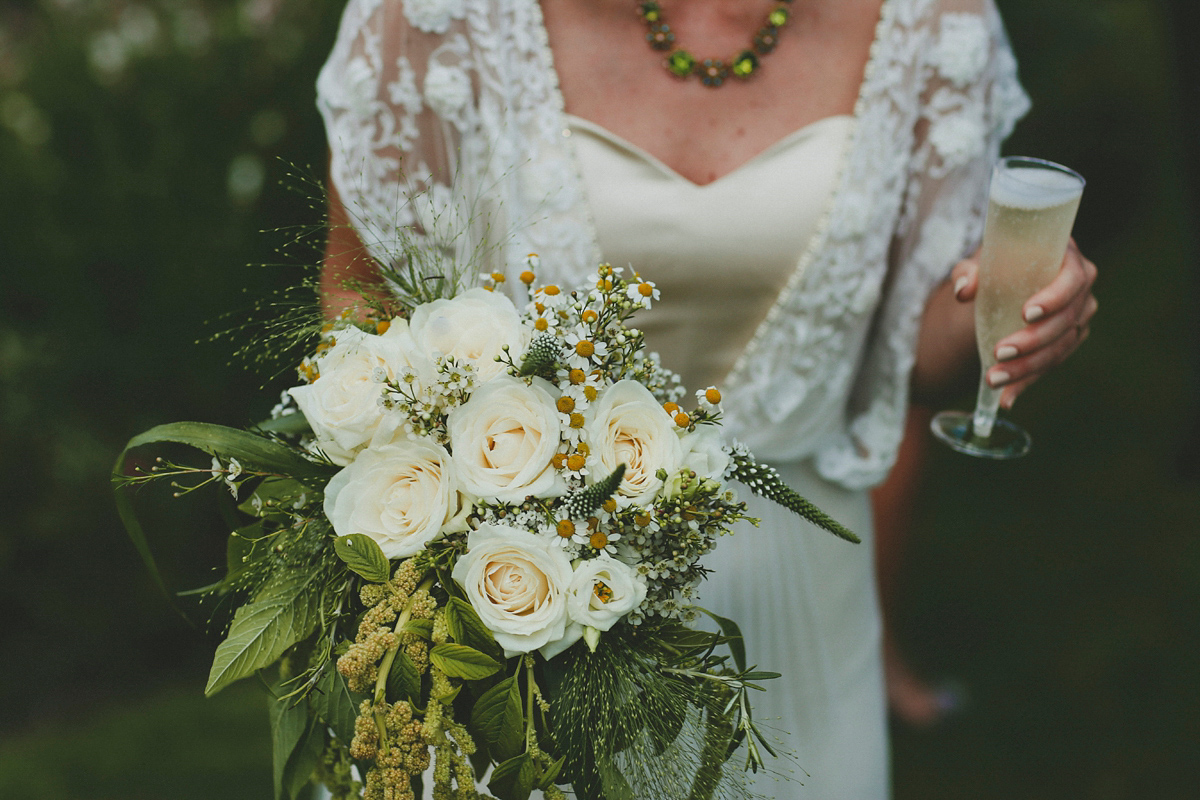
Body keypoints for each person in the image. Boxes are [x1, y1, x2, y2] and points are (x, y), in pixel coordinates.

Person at [315, 1, 1098, 796]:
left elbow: (915, 353)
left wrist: (1010, 308)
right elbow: (360, 286)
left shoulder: (933, 21)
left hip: (800, 616)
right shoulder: (436, 17)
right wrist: (419, 506)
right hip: (516, 608)